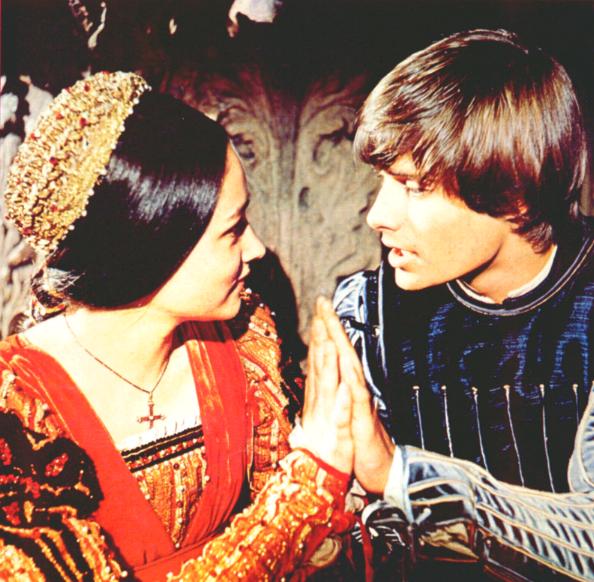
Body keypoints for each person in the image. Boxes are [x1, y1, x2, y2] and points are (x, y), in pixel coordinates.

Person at [0, 70, 355, 580]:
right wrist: (307, 488)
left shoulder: (245, 341)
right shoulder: (16, 411)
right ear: (153, 248)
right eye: (233, 230)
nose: (257, 248)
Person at [332, 29, 594, 580]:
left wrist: (403, 476)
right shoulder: (370, 315)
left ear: (514, 193)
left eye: (414, 185)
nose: (378, 215)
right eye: (383, 181)